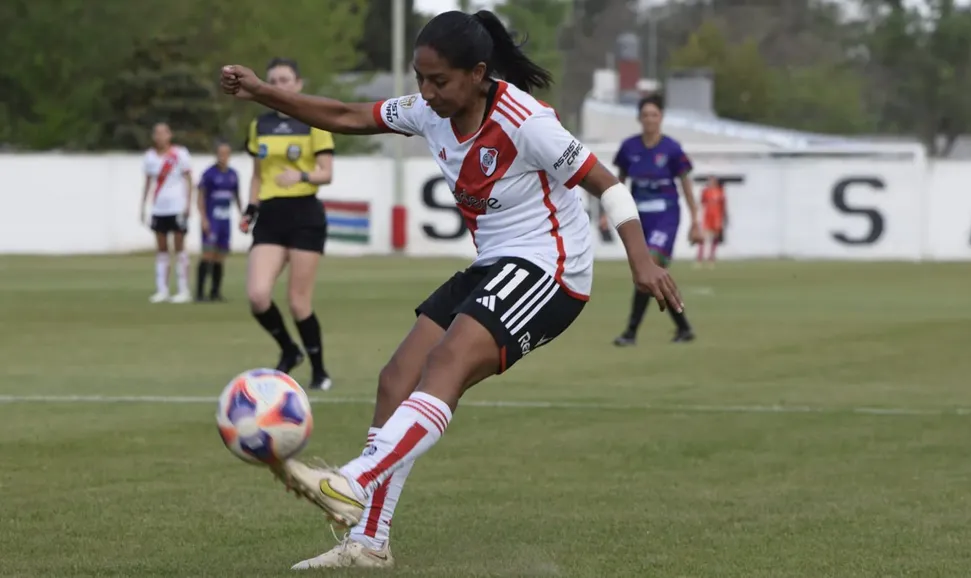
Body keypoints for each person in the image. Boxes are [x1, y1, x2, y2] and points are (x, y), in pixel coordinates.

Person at [221, 9, 684, 571]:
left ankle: (350, 481)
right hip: (495, 264)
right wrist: (264, 93)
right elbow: (344, 114)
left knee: (446, 362)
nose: (425, 91)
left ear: (477, 74)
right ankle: (369, 542)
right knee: (396, 377)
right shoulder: (428, 111)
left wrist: (642, 262)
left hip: (551, 270)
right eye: (420, 77)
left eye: (438, 80)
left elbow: (607, 185)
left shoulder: (526, 120)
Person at [242, 57, 335, 391]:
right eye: (272, 81)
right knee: (257, 295)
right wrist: (250, 209)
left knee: (298, 302)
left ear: (298, 84)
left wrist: (301, 174)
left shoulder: (315, 122)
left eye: (284, 80)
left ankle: (320, 371)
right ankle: (289, 350)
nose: (278, 86)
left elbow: (327, 173)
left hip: (305, 217)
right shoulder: (260, 125)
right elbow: (256, 176)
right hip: (270, 217)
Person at [607, 94, 701, 347]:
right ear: (639, 118)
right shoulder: (629, 148)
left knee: (649, 263)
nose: (650, 119)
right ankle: (683, 327)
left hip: (666, 216)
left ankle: (630, 333)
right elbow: (618, 184)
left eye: (654, 115)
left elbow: (686, 186)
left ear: (661, 118)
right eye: (645, 115)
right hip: (637, 218)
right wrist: (608, 214)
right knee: (653, 273)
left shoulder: (671, 149)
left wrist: (696, 221)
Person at [141, 122, 194, 304]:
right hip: (159, 208)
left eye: (163, 133)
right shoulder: (149, 157)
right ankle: (162, 290)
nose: (160, 136)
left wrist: (188, 204)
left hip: (177, 207)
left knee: (179, 248)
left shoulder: (180, 154)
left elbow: (189, 180)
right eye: (157, 133)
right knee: (162, 250)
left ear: (169, 135)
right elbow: (148, 183)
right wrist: (143, 206)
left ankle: (183, 289)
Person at [196, 140, 242, 301]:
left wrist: (243, 215)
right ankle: (200, 293)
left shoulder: (233, 175)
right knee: (208, 254)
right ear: (216, 154)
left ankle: (215, 292)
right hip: (211, 219)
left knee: (220, 256)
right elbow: (200, 197)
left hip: (225, 220)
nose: (223, 157)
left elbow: (237, 197)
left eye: (226, 154)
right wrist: (203, 218)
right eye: (220, 153)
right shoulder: (208, 174)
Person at [696, 176, 727, 269]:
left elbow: (724, 206)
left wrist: (725, 217)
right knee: (703, 238)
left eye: (713, 181)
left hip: (717, 217)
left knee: (715, 238)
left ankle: (711, 259)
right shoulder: (706, 191)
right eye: (710, 181)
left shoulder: (720, 191)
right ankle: (699, 259)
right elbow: (701, 202)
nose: (711, 182)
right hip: (707, 217)